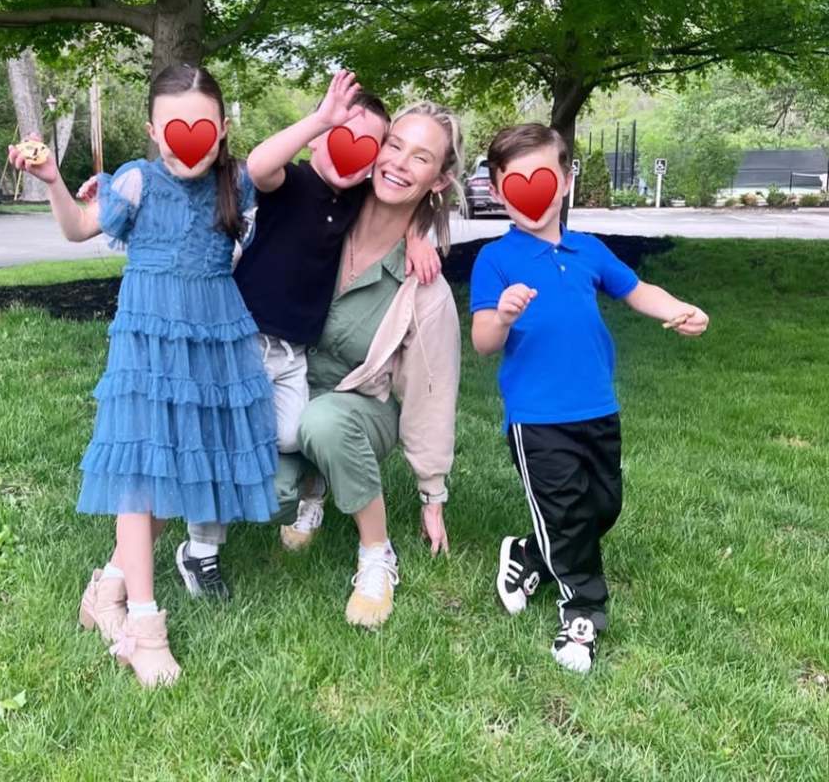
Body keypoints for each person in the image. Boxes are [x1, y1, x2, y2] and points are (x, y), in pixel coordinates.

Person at [8, 64, 278, 688]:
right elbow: (78, 228)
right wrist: (52, 180)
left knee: (183, 474)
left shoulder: (236, 182)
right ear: (155, 132)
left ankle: (106, 586)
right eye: (174, 128)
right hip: (149, 341)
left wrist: (321, 121)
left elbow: (270, 163)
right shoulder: (134, 182)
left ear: (221, 130)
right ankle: (143, 627)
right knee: (143, 475)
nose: (188, 139)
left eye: (202, 127)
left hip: (212, 338)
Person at [470, 122, 710, 674]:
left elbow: (637, 290)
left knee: (602, 506)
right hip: (537, 418)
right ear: (500, 189)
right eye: (514, 183)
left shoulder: (588, 250)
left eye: (542, 178)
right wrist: (503, 314)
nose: (529, 193)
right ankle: (582, 614)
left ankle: (527, 553)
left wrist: (677, 308)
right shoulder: (496, 260)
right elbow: (483, 342)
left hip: (598, 408)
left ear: (565, 181)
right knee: (564, 512)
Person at [273, 101, 464, 628]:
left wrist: (432, 492)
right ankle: (309, 486)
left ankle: (376, 554)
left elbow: (433, 391)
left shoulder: (424, 284)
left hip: (362, 408)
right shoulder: (326, 221)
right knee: (268, 494)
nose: (400, 163)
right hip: (291, 388)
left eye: (421, 158)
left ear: (439, 180)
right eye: (394, 145)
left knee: (324, 423)